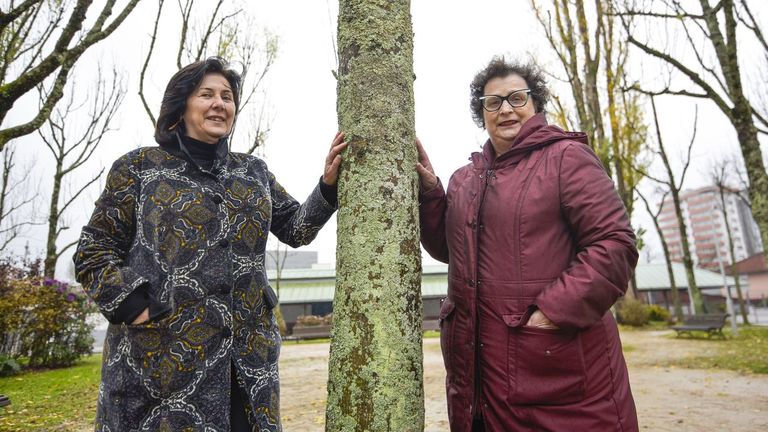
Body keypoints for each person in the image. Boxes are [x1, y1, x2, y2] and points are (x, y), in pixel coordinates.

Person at [73, 57, 347, 431]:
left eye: (227, 96)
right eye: (207, 94)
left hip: (246, 361)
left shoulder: (253, 171)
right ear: (181, 105)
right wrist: (134, 306)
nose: (220, 103)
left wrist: (327, 186)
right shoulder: (138, 167)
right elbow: (93, 251)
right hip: (162, 360)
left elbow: (296, 229)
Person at [416, 57, 639, 431]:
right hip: (478, 385)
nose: (505, 109)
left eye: (517, 98)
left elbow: (614, 244)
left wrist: (551, 312)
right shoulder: (464, 179)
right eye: (493, 103)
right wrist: (431, 193)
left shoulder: (567, 158)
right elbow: (449, 249)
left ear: (535, 104)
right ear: (482, 114)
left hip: (557, 378)